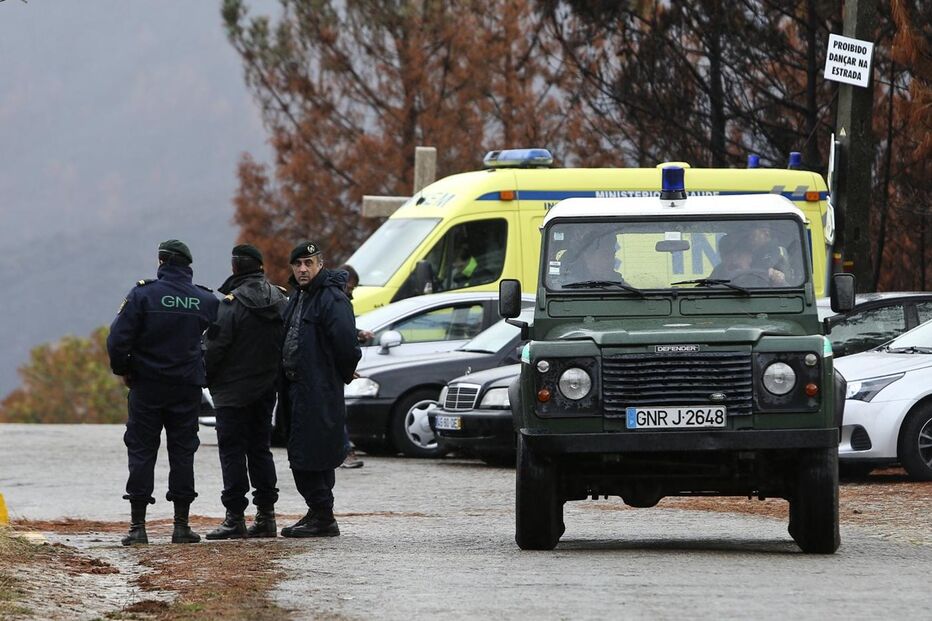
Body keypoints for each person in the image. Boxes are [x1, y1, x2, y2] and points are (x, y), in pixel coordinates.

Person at [107, 239, 219, 546]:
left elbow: (117, 340)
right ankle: (181, 526)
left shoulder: (143, 294)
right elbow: (222, 342)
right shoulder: (205, 300)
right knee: (183, 452)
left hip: (147, 385)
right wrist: (206, 372)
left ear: (161, 261)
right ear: (188, 266)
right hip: (187, 388)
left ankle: (138, 527)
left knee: (142, 451)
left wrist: (124, 370)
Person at [204, 244, 288, 540]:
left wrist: (206, 378)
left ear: (235, 268)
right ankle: (267, 516)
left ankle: (235, 517)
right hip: (267, 389)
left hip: (231, 393)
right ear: (260, 267)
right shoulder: (280, 299)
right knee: (260, 450)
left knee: (232, 453)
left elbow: (215, 348)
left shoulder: (230, 304)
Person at [279, 241, 362, 537]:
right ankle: (318, 511)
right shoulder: (299, 296)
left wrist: (336, 376)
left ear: (320, 264)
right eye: (298, 264)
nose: (303, 269)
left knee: (309, 453)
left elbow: (346, 343)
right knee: (310, 451)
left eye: (309, 263)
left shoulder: (330, 298)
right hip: (296, 386)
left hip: (317, 387)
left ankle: (323, 515)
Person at [336, 264, 372, 470]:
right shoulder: (337, 302)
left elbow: (344, 330)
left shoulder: (335, 300)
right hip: (329, 368)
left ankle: (340, 451)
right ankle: (344, 451)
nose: (352, 294)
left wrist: (359, 334)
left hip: (330, 367)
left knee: (333, 411)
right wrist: (346, 366)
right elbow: (339, 335)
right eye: (350, 289)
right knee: (335, 411)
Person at [710, 233, 786, 286]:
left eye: (739, 255)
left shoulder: (766, 277)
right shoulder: (715, 277)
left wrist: (778, 282)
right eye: (728, 256)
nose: (734, 260)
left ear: (751, 257)